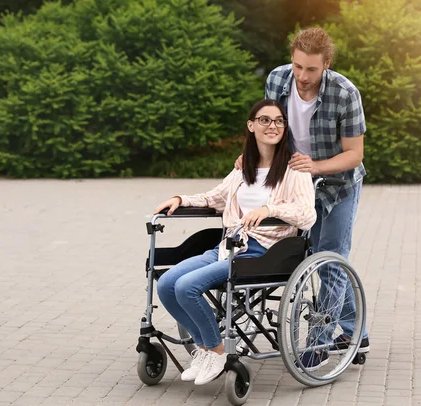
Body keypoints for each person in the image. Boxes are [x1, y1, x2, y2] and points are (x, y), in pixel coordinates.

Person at [152, 99, 317, 385]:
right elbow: (213, 197)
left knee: (187, 286)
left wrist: (270, 210)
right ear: (251, 126)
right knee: (167, 284)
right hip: (228, 247)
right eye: (264, 120)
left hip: (264, 253)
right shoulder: (243, 170)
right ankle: (205, 349)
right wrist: (181, 200)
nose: (272, 126)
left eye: (278, 121)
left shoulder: (295, 170)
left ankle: (216, 350)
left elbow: (307, 214)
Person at [241, 27, 369, 370]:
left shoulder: (345, 93)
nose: (302, 76)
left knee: (331, 256)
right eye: (298, 66)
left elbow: (354, 154)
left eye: (311, 69)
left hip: (340, 184)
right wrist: (252, 157)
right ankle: (357, 330)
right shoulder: (277, 80)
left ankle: (320, 340)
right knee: (309, 254)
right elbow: (270, 129)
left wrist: (316, 166)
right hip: (299, 183)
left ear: (326, 65)